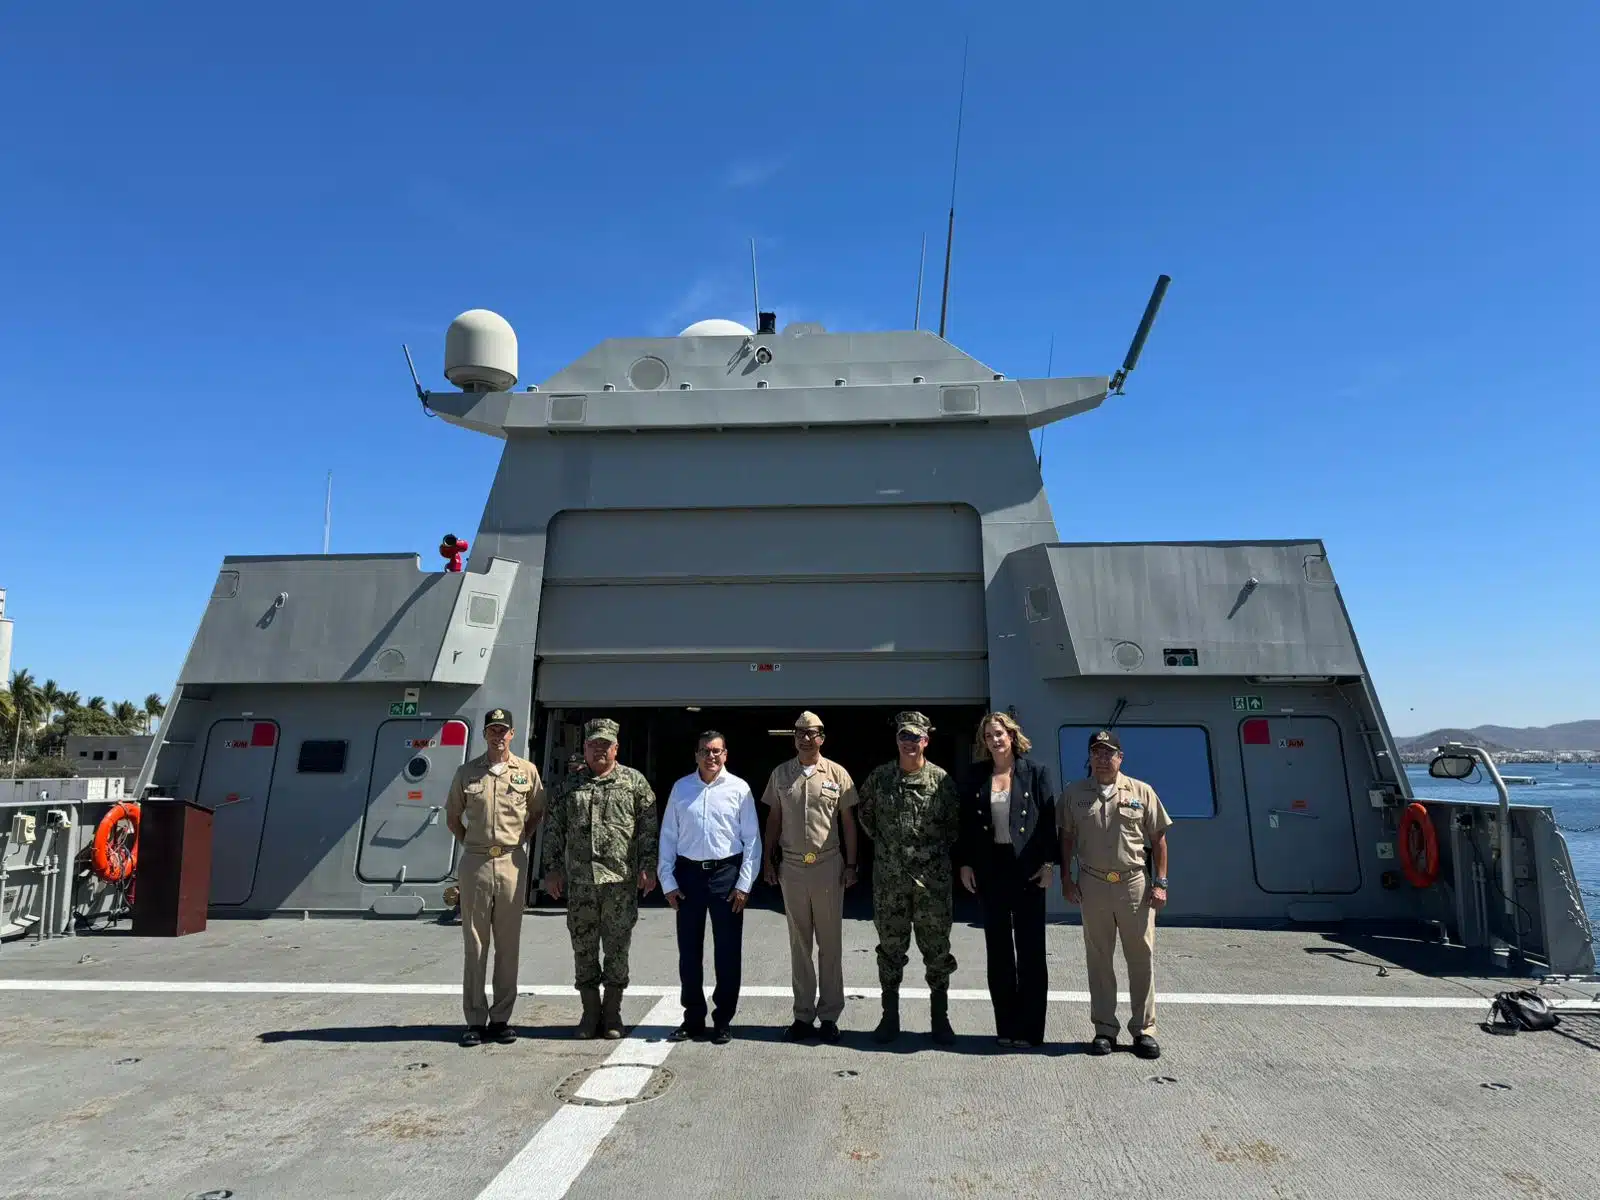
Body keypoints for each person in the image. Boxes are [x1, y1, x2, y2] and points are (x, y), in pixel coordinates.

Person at [542, 717, 658, 1040]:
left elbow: (648, 830)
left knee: (618, 950)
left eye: (605, 745)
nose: (599, 751)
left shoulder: (635, 784)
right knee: (583, 949)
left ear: (616, 748)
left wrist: (648, 867)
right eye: (593, 745)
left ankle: (613, 1014)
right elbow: (554, 831)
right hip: (581, 885)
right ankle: (590, 1013)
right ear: (585, 748)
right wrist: (552, 870)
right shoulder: (570, 788)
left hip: (620, 884)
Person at [1059, 729, 1172, 1059]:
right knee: (1098, 958)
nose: (1102, 758)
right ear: (1090, 757)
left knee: (1141, 957)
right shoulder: (1074, 794)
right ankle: (1104, 1028)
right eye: (1096, 752)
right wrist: (1067, 879)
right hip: (1092, 884)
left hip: (1134, 884)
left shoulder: (1142, 791)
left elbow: (1159, 839)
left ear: (1120, 757)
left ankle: (1144, 1029)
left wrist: (1160, 883)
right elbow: (1065, 838)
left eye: (1109, 752)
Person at [858, 711, 961, 1045]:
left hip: (932, 884)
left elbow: (953, 826)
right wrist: (893, 852)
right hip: (890, 883)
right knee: (889, 951)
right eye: (904, 736)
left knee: (937, 951)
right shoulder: (880, 778)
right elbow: (866, 817)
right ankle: (889, 1019)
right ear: (897, 740)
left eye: (915, 737)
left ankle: (940, 1020)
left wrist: (924, 857)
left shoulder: (941, 781)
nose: (909, 743)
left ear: (926, 741)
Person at [444, 707, 544, 1047]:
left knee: (508, 944)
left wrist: (516, 843)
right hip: (476, 864)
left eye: (503, 730)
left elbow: (537, 812)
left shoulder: (527, 771)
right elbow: (453, 817)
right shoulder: (466, 773)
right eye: (492, 730)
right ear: (485, 734)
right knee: (475, 943)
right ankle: (474, 1018)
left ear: (512, 734)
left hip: (512, 864)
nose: (498, 736)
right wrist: (473, 846)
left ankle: (501, 1019)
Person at [957, 712, 1057, 1049]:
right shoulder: (976, 776)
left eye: (999, 733)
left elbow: (1048, 822)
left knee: (1030, 952)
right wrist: (967, 863)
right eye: (988, 736)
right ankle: (1007, 1027)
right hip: (991, 870)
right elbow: (967, 826)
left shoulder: (1035, 773)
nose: (995, 740)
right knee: (998, 952)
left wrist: (1049, 864)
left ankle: (1031, 1030)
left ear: (1011, 736)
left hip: (1027, 868)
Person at [760, 710, 860, 1043]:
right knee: (799, 943)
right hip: (792, 867)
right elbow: (774, 819)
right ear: (794, 738)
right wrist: (768, 861)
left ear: (822, 738)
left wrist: (851, 865)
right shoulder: (780, 774)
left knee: (830, 944)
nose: (806, 738)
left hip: (828, 865)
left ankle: (829, 1015)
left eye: (812, 733)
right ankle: (803, 1014)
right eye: (800, 733)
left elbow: (848, 822)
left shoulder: (838, 774)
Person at [659, 730, 762, 1045]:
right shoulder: (681, 788)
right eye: (705, 751)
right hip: (689, 876)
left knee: (727, 952)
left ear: (726, 754)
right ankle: (692, 1019)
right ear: (696, 755)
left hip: (725, 874)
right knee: (689, 952)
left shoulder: (739, 789)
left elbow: (752, 841)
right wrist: (668, 880)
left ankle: (723, 1021)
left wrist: (744, 884)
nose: (711, 757)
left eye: (717, 751)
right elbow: (668, 837)